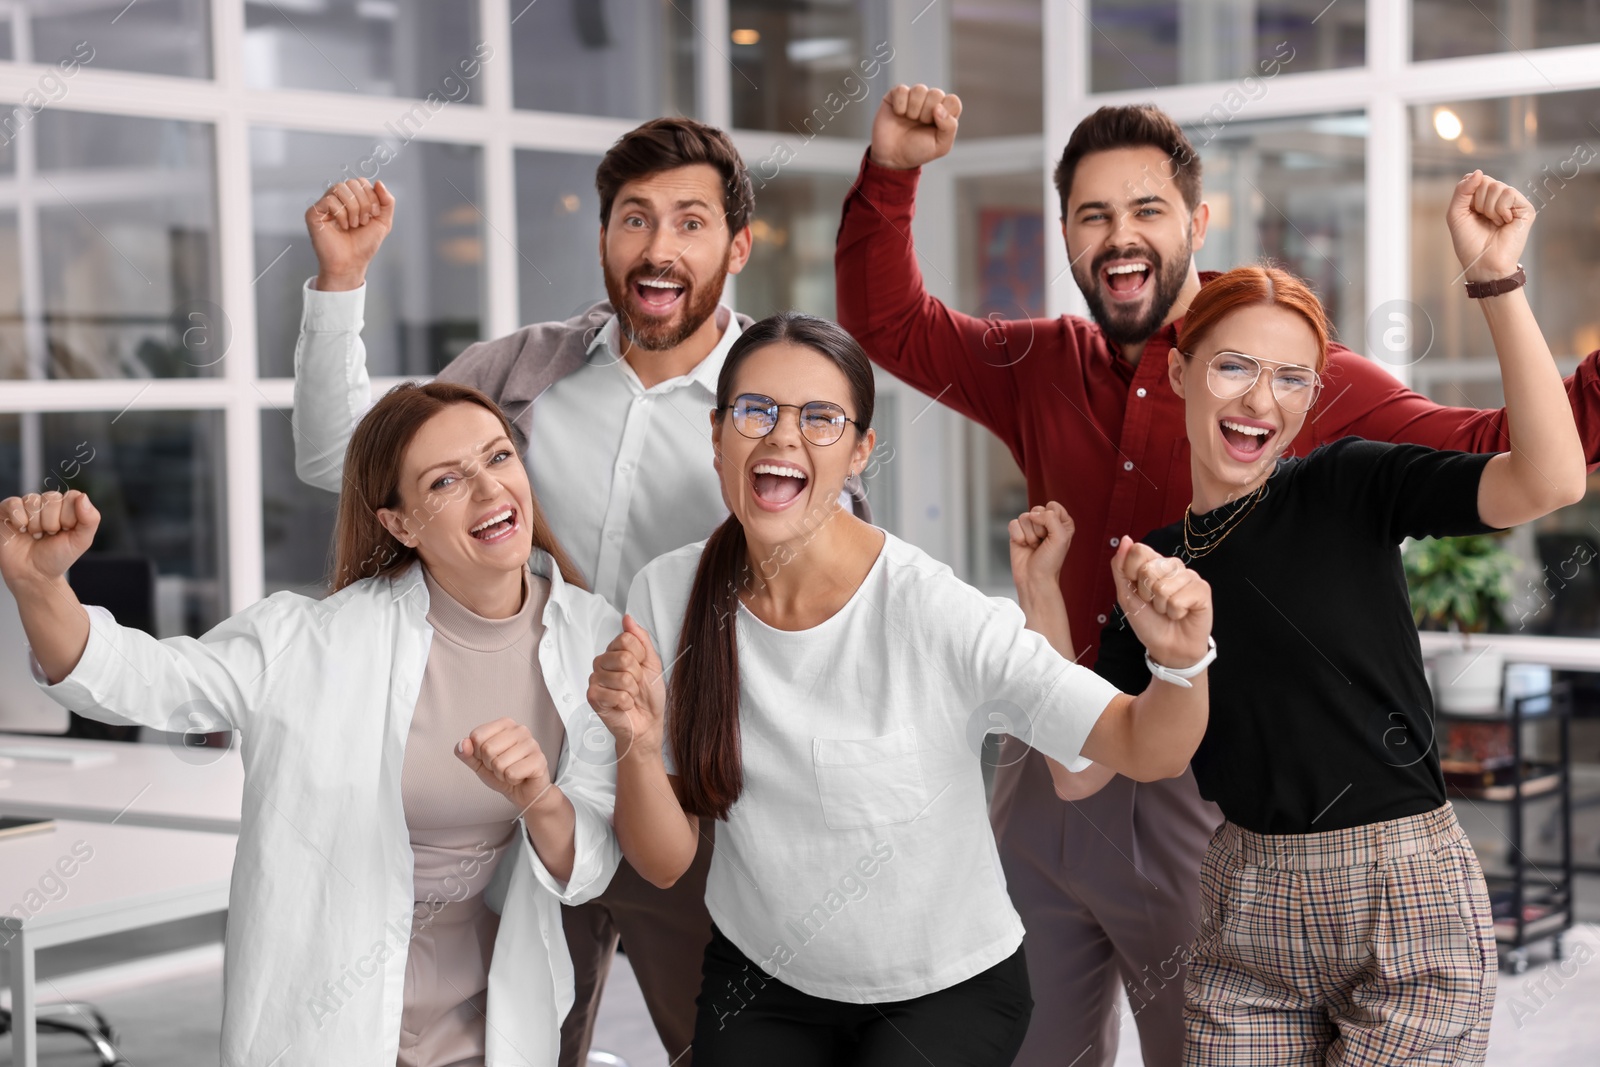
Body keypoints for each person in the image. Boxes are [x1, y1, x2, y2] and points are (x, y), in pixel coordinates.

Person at [835, 85, 1600, 1067]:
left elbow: (1524, 454)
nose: (1120, 236)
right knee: (1021, 1041)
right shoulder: (1034, 360)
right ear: (1064, 232)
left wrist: (1500, 288)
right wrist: (894, 169)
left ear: (1196, 222)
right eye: (1093, 214)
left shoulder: (1296, 375)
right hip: (1061, 754)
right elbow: (889, 323)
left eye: (1147, 208)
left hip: (1213, 785)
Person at [291, 118, 867, 1066]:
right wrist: (341, 284)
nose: (658, 247)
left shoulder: (781, 409)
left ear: (736, 246)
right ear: (603, 239)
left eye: (690, 222)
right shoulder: (515, 377)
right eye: (634, 220)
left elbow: (833, 611)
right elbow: (337, 460)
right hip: (526, 795)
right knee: (522, 1045)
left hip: (701, 805)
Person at [585, 311, 1215, 1067]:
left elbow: (1144, 744)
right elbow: (663, 861)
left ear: (859, 453)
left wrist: (1181, 662)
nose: (783, 437)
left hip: (945, 989)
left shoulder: (932, 610)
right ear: (717, 435)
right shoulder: (670, 593)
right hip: (762, 975)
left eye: (821, 419)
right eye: (756, 411)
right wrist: (634, 740)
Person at [1047, 172, 1578, 1064]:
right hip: (1243, 903)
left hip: (1403, 894)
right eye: (1234, 366)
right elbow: (1078, 772)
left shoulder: (1348, 482)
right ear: (1179, 369)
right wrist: (1037, 592)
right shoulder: (1155, 566)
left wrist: (1495, 281)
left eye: (1293, 378)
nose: (1262, 399)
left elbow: (1551, 478)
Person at [2, 382, 624, 1066]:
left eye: (499, 456)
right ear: (400, 524)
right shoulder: (311, 643)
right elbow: (144, 680)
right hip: (326, 1028)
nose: (488, 488)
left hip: (491, 1026)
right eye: (446, 479)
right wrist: (41, 588)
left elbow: (589, 863)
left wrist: (539, 796)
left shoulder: (587, 637)